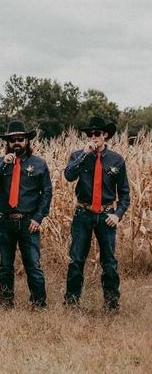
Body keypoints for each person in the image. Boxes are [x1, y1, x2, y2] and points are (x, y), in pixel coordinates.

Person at [64, 117, 130, 312]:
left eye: (97, 134)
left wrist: (117, 214)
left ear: (105, 135)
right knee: (76, 259)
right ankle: (71, 303)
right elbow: (68, 176)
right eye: (90, 134)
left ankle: (111, 304)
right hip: (83, 214)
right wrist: (84, 155)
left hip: (106, 215)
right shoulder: (78, 155)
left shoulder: (117, 160)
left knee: (109, 262)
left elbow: (125, 194)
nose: (93, 138)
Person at [0, 120, 52, 308]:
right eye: (12, 140)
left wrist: (38, 218)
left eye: (20, 139)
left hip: (28, 222)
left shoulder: (39, 164)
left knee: (33, 265)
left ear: (27, 140)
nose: (16, 143)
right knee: (5, 266)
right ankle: (6, 302)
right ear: (7, 142)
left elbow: (47, 192)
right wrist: (3, 166)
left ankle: (38, 303)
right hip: (6, 222)